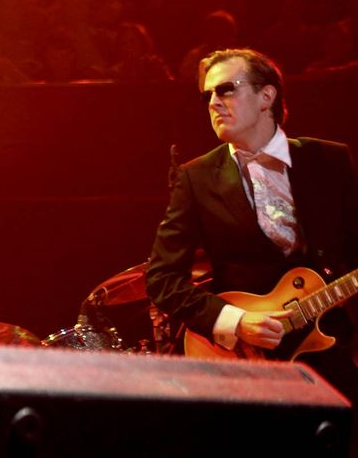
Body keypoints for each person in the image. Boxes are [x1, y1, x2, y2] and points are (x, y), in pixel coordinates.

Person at [145, 48, 358, 399]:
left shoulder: (329, 160)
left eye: (226, 89)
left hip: (329, 353)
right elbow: (161, 278)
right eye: (208, 95)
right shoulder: (196, 178)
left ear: (266, 96)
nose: (213, 102)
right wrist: (236, 322)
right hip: (246, 360)